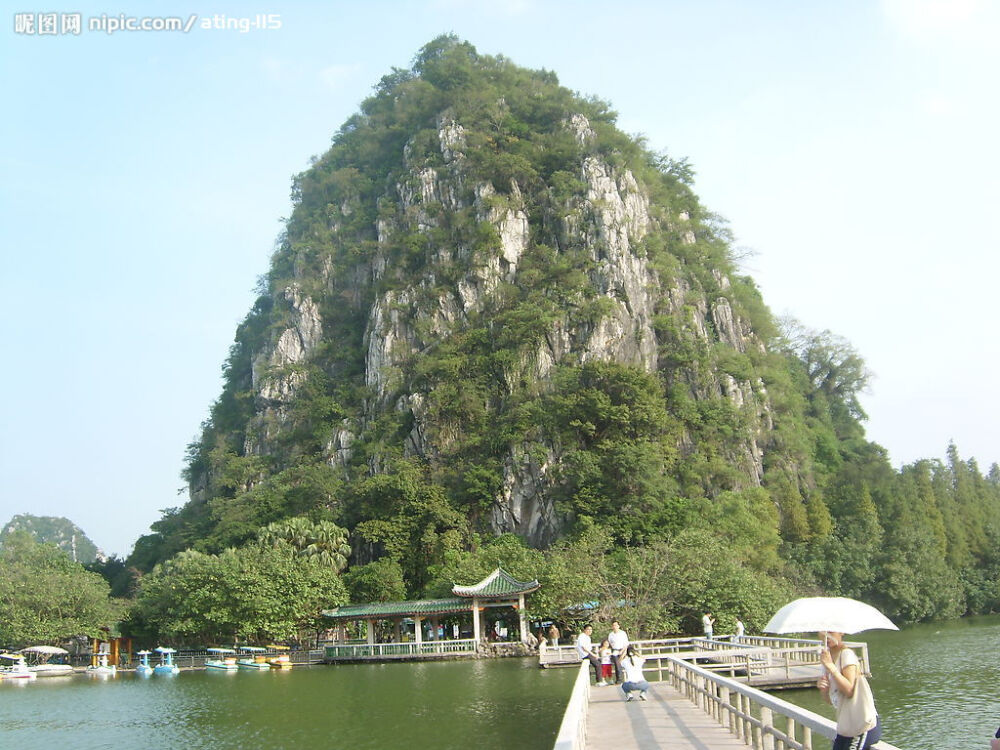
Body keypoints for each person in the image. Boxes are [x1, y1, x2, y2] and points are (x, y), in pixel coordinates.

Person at [817, 631, 882, 750]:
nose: (827, 636)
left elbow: (850, 691)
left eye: (831, 632)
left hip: (862, 724)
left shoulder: (846, 654)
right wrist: (824, 689)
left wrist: (831, 667)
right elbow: (832, 701)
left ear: (841, 632)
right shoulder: (828, 656)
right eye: (823, 632)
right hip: (846, 725)